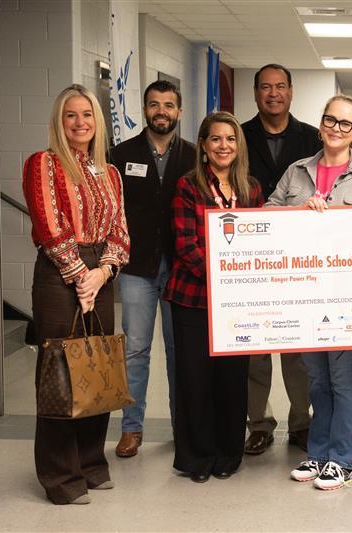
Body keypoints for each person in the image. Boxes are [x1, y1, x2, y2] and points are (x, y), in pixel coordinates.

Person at [267, 94, 352, 491]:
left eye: (346, 124)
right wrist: (296, 216)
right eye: (330, 121)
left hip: (349, 297)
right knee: (316, 379)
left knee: (343, 379)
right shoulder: (296, 172)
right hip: (304, 294)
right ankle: (319, 454)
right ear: (320, 125)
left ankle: (344, 459)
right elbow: (266, 217)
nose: (336, 129)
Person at [23, 84, 130, 504]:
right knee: (61, 373)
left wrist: (102, 274)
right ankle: (61, 476)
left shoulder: (111, 172)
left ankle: (91, 463)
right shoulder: (44, 164)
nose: (80, 122)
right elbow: (49, 225)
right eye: (71, 115)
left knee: (98, 367)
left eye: (87, 115)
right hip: (58, 274)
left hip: (100, 274)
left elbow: (120, 230)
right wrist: (79, 274)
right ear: (59, 121)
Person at [163, 111, 263, 483]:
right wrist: (226, 278)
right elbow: (186, 247)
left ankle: (228, 453)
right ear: (203, 146)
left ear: (239, 147)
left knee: (232, 381)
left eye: (231, 139)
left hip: (237, 306)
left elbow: (260, 244)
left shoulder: (251, 188)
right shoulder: (189, 186)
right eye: (216, 139)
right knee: (196, 380)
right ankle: (197, 457)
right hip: (193, 299)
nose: (224, 146)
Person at [108, 80, 195, 458]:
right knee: (136, 350)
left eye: (169, 105)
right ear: (144, 110)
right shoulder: (120, 154)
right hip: (137, 267)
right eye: (154, 104)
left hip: (182, 268)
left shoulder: (194, 156)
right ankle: (131, 429)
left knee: (180, 351)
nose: (162, 111)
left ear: (179, 111)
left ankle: (183, 427)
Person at [241, 64, 321, 455]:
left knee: (296, 348)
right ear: (256, 93)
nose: (273, 93)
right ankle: (258, 423)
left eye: (280, 87)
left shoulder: (311, 138)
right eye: (266, 87)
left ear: (291, 92)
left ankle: (301, 423)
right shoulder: (238, 137)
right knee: (254, 349)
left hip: (296, 261)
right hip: (250, 261)